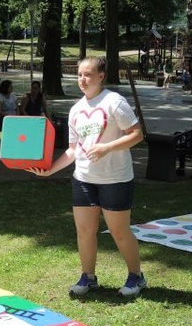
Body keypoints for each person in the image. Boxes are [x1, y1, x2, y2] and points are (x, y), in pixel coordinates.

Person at [26, 57, 146, 297]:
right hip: (83, 179)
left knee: (119, 232)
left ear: (101, 75)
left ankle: (136, 276)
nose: (83, 79)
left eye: (88, 74)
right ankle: (88, 277)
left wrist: (107, 148)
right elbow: (73, 150)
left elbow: (137, 135)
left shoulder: (114, 102)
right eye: (80, 74)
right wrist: (50, 169)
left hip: (115, 178)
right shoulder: (76, 109)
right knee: (84, 230)